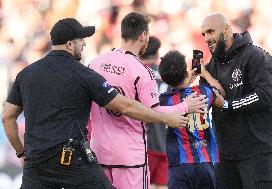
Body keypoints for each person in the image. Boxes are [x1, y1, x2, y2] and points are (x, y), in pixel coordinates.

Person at [1, 18, 195, 189]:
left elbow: (8, 116)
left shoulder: (26, 74)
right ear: (70, 44)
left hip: (37, 163)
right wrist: (164, 117)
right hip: (72, 160)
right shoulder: (83, 74)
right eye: (81, 40)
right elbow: (124, 106)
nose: (84, 44)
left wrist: (22, 152)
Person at [88, 12, 207, 189]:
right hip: (130, 157)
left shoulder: (95, 63)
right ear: (143, 35)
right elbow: (153, 111)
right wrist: (185, 106)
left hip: (99, 154)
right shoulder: (141, 72)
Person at [200, 13, 272, 189]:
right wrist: (192, 79)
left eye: (211, 31)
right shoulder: (210, 67)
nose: (206, 38)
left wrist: (228, 105)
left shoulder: (256, 56)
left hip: (256, 151)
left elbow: (264, 95)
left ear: (226, 29)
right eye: (203, 34)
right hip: (224, 154)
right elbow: (204, 102)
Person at [158, 50, 225, 189]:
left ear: (164, 79)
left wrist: (186, 79)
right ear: (185, 71)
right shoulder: (203, 92)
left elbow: (176, 92)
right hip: (205, 163)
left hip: (179, 166)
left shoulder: (164, 100)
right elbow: (221, 94)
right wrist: (204, 73)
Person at [140, 36, 168, 189]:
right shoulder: (167, 76)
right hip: (167, 141)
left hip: (145, 142)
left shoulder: (138, 73)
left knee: (142, 184)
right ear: (157, 55)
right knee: (162, 185)